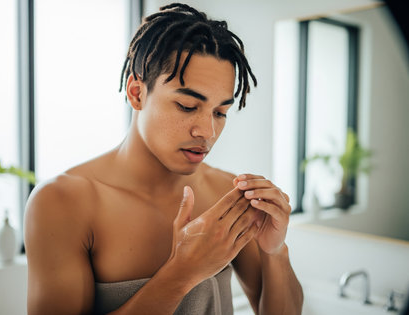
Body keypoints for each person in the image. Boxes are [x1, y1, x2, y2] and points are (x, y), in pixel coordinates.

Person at [24, 3, 304, 315]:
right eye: (187, 105)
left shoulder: (228, 192)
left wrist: (276, 251)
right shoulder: (62, 202)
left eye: (220, 112)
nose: (207, 131)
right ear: (136, 92)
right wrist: (183, 272)